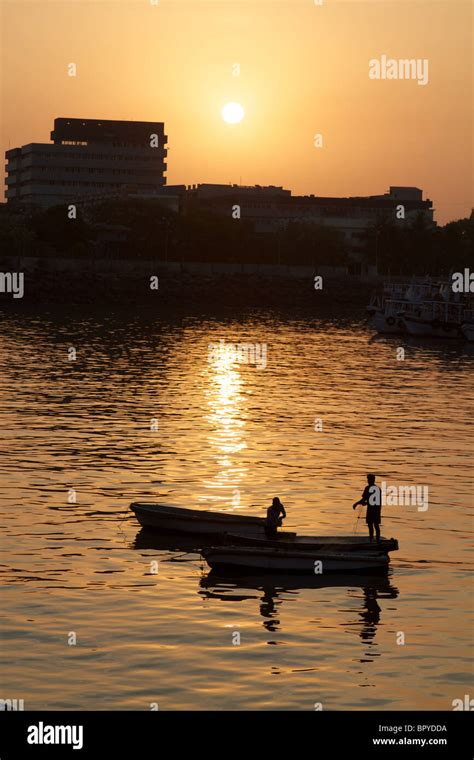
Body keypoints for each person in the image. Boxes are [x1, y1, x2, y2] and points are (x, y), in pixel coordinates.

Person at [353, 474, 382, 543]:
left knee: (373, 525)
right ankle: (374, 540)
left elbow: (365, 499)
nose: (368, 481)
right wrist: (365, 503)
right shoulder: (376, 489)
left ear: (373, 480)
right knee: (373, 525)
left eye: (369, 479)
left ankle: (374, 540)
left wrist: (357, 503)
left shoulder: (369, 488)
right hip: (375, 509)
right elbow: (370, 500)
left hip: (373, 510)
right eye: (368, 479)